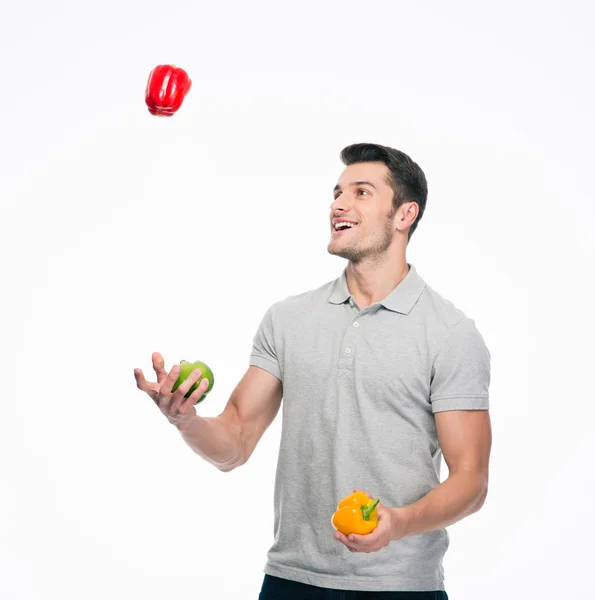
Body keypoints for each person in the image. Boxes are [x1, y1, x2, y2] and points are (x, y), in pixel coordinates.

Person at [134, 143, 492, 599]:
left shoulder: (450, 334)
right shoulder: (288, 319)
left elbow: (471, 482)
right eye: (338, 192)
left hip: (400, 586)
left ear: (405, 215)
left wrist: (397, 523)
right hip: (290, 580)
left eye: (362, 193)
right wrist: (184, 418)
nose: (338, 204)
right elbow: (234, 442)